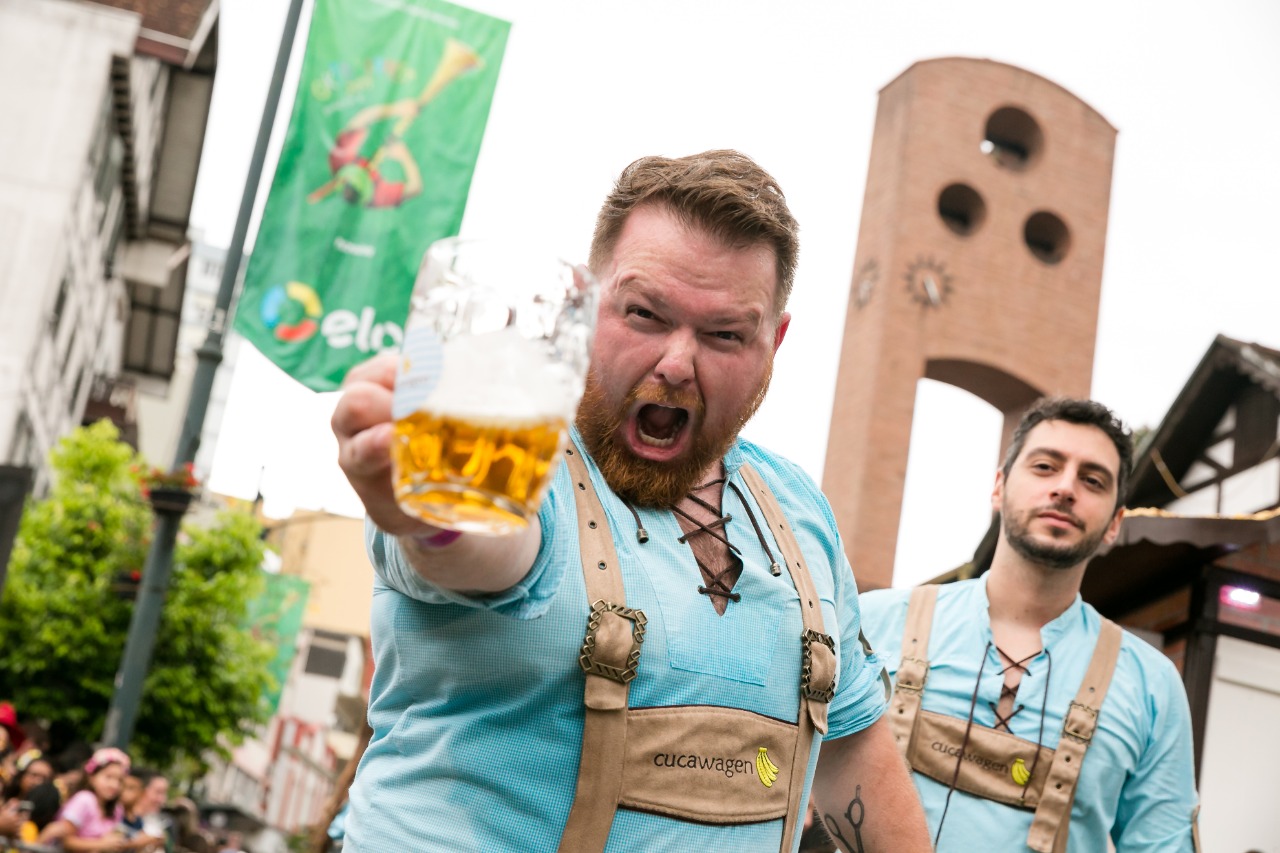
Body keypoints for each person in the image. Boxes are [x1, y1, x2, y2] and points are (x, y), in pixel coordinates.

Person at [332, 150, 931, 852]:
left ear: (775, 341)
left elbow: (855, 748)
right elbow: (482, 542)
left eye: (725, 334)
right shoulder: (516, 459)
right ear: (585, 305)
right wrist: (418, 509)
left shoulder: (802, 512)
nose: (677, 361)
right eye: (645, 313)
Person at [859, 397, 1201, 852]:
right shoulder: (873, 623)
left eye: (1093, 480)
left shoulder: (1152, 687)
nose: (1065, 488)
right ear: (999, 486)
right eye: (1045, 466)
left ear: (1116, 522)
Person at [39, 746, 142, 852]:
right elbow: (66, 842)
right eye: (108, 777)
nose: (114, 785)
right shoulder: (85, 799)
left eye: (120, 780)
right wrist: (101, 844)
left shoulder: (117, 809)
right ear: (92, 777)